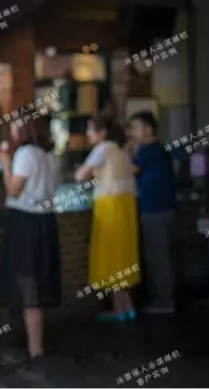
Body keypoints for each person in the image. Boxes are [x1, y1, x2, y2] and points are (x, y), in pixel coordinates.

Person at [0, 116, 61, 363]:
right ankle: (35, 345)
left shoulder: (26, 153)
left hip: (25, 222)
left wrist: (4, 163)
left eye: (15, 125)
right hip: (46, 221)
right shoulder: (49, 155)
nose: (12, 129)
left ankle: (35, 348)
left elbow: (13, 189)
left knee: (28, 284)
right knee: (37, 283)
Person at [75, 116, 140, 322]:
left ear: (101, 133)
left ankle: (120, 310)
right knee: (122, 254)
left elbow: (80, 176)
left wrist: (90, 171)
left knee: (111, 254)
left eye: (90, 130)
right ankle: (125, 307)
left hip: (109, 206)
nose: (88, 134)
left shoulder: (102, 149)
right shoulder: (122, 150)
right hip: (126, 206)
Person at [128, 111, 177, 313]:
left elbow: (130, 169)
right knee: (161, 256)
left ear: (149, 128)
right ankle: (163, 299)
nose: (133, 132)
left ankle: (163, 302)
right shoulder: (158, 149)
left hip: (155, 210)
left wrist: (126, 149)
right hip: (162, 209)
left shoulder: (148, 149)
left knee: (157, 257)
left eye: (136, 127)